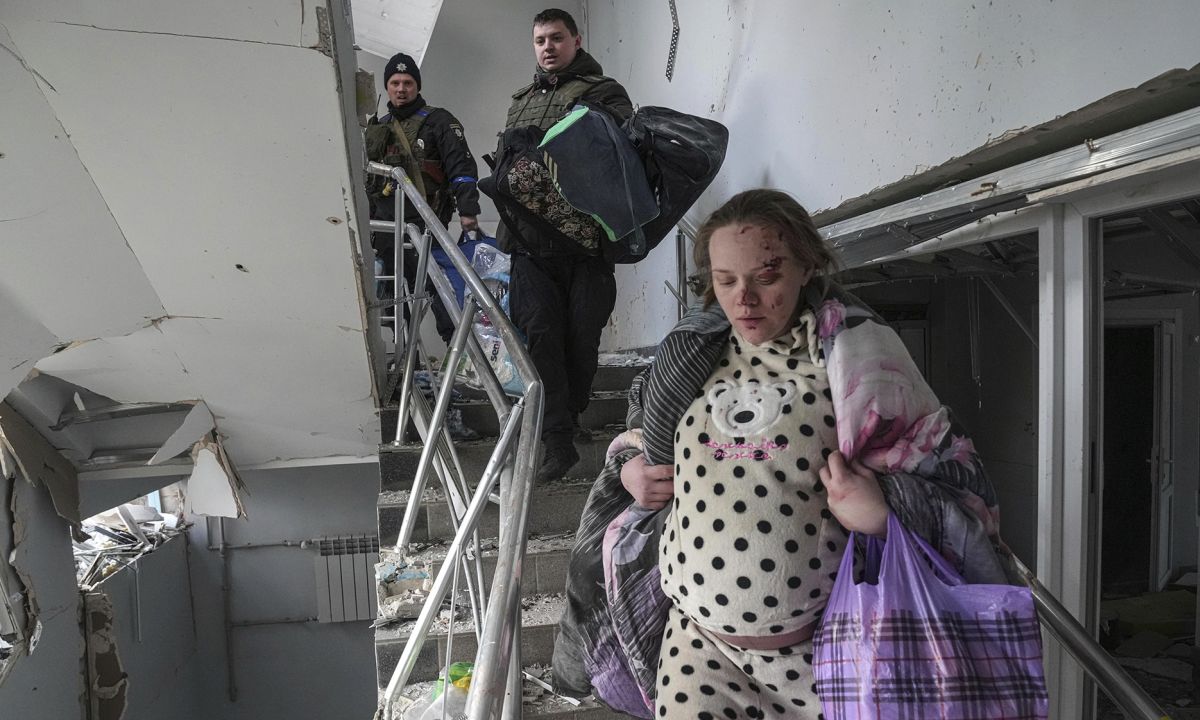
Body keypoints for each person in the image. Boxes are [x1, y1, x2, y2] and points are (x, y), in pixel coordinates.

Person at [607, 189, 1008, 717]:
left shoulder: (859, 358)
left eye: (766, 277)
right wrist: (629, 468)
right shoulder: (690, 352)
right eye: (725, 281)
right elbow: (638, 434)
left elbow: (951, 477)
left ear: (807, 266)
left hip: (825, 655)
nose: (743, 300)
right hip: (698, 650)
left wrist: (885, 513)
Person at [500, 8, 634, 482]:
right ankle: (555, 440)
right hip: (529, 243)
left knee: (581, 339)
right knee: (540, 339)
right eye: (540, 40)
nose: (547, 47)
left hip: (586, 242)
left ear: (576, 40)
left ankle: (570, 413)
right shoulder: (519, 101)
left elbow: (618, 154)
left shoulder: (605, 92)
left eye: (556, 38)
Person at [365, 52, 482, 439]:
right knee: (392, 313)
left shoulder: (438, 122)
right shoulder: (376, 129)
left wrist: (468, 214)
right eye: (395, 84)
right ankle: (406, 376)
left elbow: (461, 168)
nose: (401, 89)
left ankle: (465, 372)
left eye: (408, 83)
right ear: (387, 87)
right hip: (383, 236)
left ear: (417, 86)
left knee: (446, 306)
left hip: (423, 232)